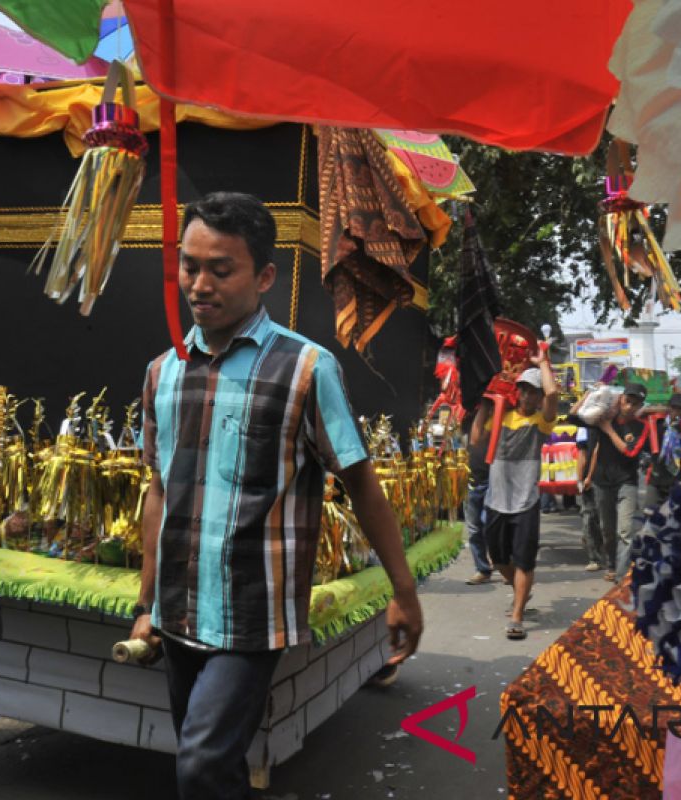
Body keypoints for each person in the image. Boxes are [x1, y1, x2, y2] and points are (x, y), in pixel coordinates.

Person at [130, 193, 423, 799]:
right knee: (211, 760)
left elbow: (360, 483)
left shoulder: (307, 370)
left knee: (201, 766)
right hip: (178, 609)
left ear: (264, 276)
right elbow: (159, 489)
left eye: (220, 268)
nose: (199, 283)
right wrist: (146, 602)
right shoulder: (163, 372)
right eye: (189, 265)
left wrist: (403, 591)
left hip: (252, 616)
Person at [470, 358, 558, 640]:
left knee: (524, 561)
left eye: (534, 391)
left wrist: (543, 360)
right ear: (517, 391)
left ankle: (518, 614)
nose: (529, 395)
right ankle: (521, 591)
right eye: (524, 390)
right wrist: (485, 405)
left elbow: (554, 394)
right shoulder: (502, 416)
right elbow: (475, 440)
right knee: (497, 559)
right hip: (497, 499)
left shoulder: (540, 423)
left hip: (526, 501)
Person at [593, 382, 647, 581]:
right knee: (607, 530)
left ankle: (622, 575)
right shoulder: (605, 416)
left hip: (627, 482)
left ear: (640, 405)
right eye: (627, 401)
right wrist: (592, 393)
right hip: (602, 480)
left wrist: (608, 430)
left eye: (635, 403)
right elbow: (575, 413)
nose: (630, 406)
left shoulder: (641, 426)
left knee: (624, 531)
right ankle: (612, 564)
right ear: (621, 398)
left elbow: (629, 451)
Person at [464, 398, 495, 585]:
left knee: (490, 524)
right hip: (471, 480)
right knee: (474, 529)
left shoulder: (498, 420)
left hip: (492, 480)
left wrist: (486, 404)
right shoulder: (467, 418)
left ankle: (505, 564)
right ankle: (482, 569)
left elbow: (478, 437)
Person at [575, 426, 605, 572]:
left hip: (606, 478)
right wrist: (580, 479)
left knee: (604, 520)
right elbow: (582, 453)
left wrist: (588, 477)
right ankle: (595, 557)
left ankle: (607, 556)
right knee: (589, 518)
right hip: (590, 481)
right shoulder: (583, 428)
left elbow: (596, 453)